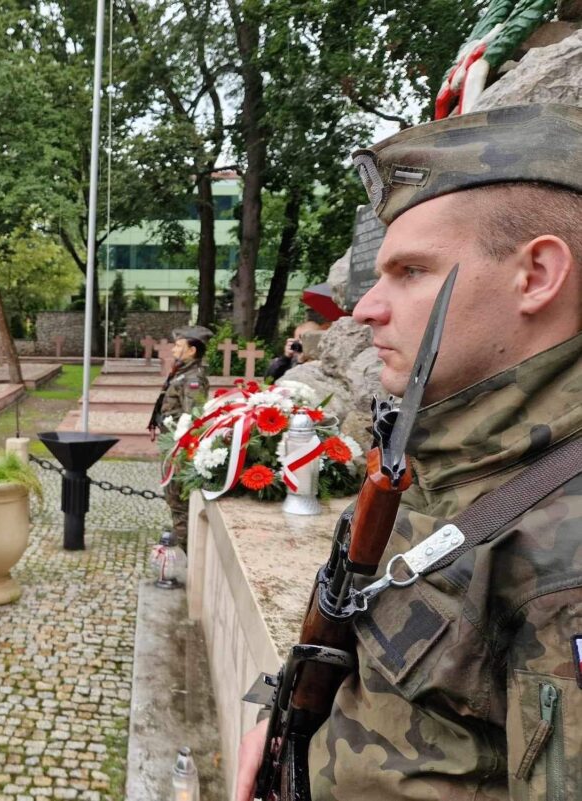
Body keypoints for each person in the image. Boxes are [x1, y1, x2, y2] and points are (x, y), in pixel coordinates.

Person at [236, 104, 582, 801]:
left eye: (412, 271)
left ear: (538, 274)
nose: (365, 308)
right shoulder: (446, 449)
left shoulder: (565, 550)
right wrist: (279, 715)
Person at [147, 326, 210, 551]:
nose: (174, 350)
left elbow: (192, 417)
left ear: (192, 350)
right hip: (172, 443)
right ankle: (181, 535)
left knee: (177, 499)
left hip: (178, 447)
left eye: (178, 346)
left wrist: (179, 450)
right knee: (173, 497)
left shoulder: (193, 378)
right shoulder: (183, 372)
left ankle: (186, 551)